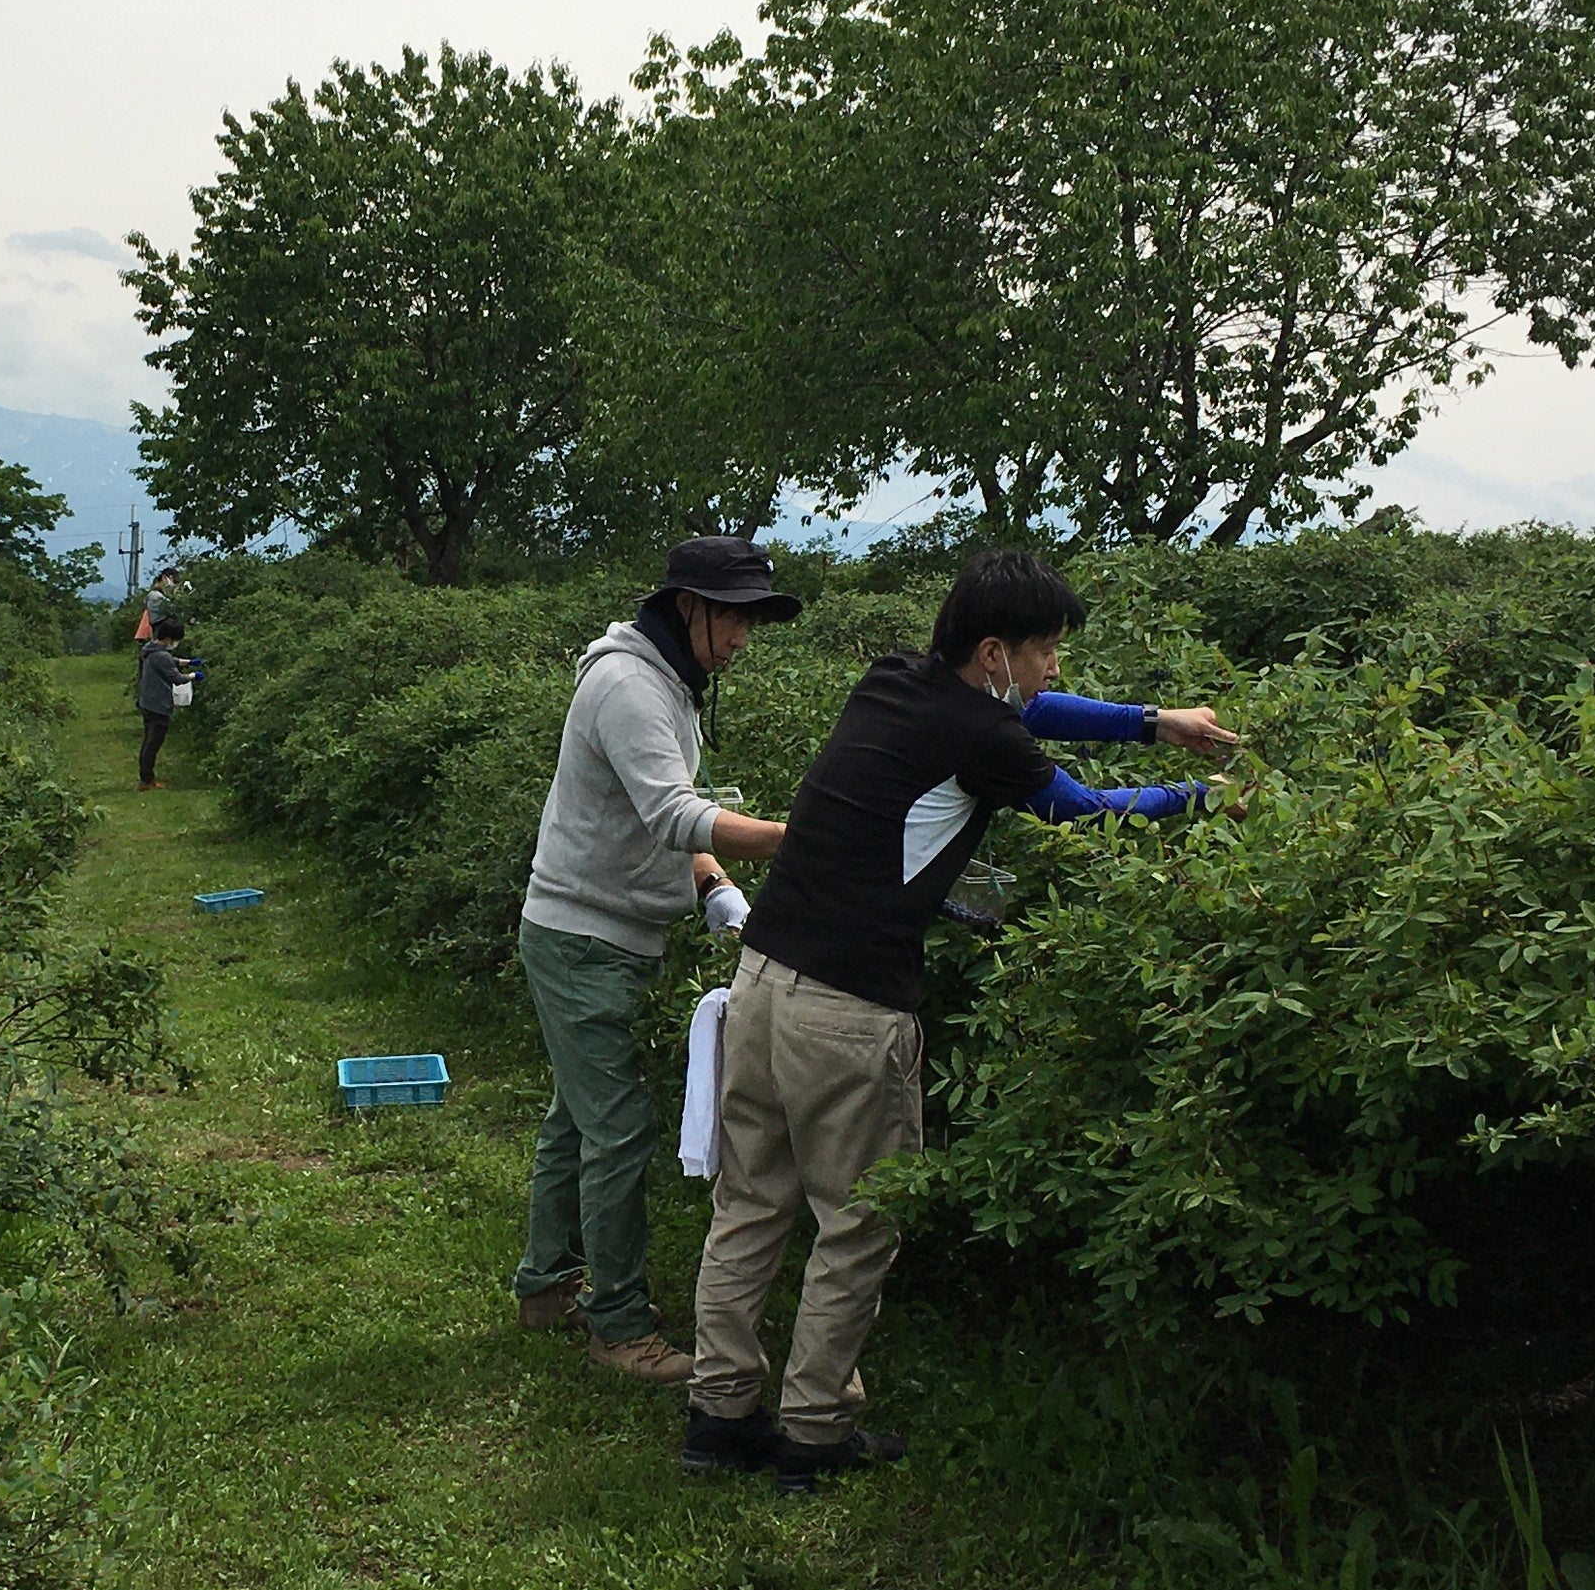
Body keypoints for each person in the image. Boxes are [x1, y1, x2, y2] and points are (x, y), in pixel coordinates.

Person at [684, 548, 1242, 1488]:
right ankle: (812, 1435)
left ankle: (718, 1417)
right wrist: (1203, 798)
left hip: (763, 978)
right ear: (993, 654)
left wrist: (1154, 722)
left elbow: (1034, 713)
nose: (1054, 667)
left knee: (750, 1203)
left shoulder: (895, 678)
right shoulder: (988, 739)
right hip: (850, 1010)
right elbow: (1085, 811)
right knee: (859, 1222)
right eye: (1044, 649)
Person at [513, 535, 799, 1385]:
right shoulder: (631, 687)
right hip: (584, 939)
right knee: (617, 1128)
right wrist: (804, 839)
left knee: (577, 1118)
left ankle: (546, 1284)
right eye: (734, 618)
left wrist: (712, 885)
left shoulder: (666, 682)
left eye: (752, 621)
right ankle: (619, 1327)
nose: (741, 638)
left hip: (596, 932)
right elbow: (676, 812)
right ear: (689, 607)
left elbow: (668, 816)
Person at [135, 613, 196, 788]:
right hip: (158, 705)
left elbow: (171, 662)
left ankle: (146, 777)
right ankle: (146, 780)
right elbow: (176, 678)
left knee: (148, 741)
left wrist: (189, 662)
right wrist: (193, 675)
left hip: (147, 702)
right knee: (153, 744)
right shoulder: (162, 656)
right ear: (169, 638)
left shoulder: (151, 649)